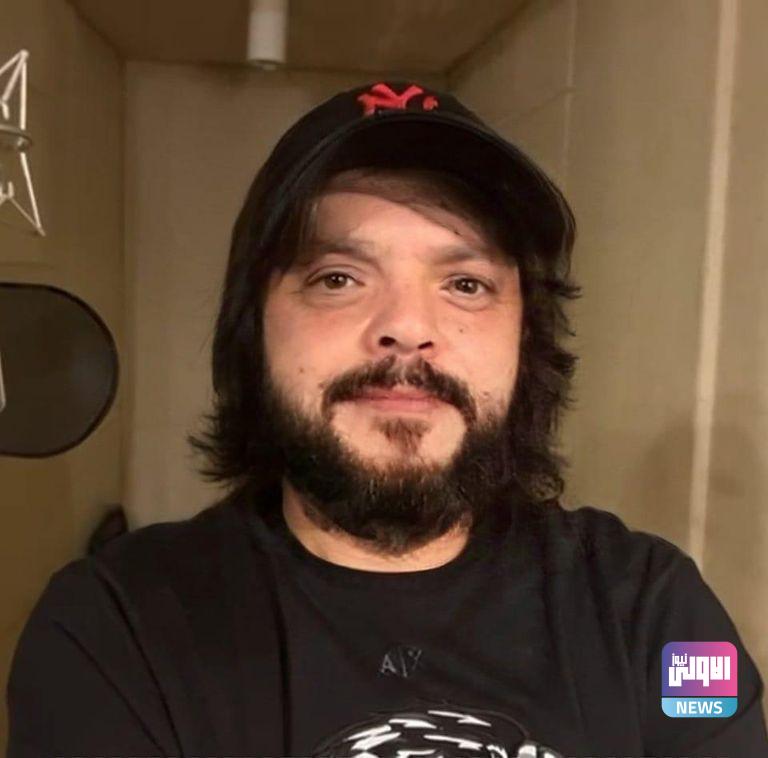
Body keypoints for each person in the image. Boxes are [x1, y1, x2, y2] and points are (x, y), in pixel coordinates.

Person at [5, 81, 768, 758]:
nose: (407, 326)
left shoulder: (654, 613)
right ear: (254, 330)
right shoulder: (117, 630)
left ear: (526, 339)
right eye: (338, 278)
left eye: (466, 284)